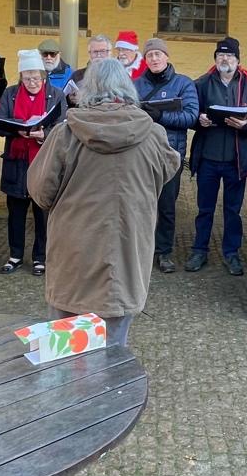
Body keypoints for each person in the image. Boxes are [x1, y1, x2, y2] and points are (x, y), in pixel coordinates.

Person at [28, 58, 180, 346]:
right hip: (126, 249)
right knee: (114, 347)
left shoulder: (65, 134)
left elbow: (41, 192)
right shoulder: (153, 135)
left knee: (66, 346)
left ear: (88, 89)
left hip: (74, 251)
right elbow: (168, 170)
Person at [187, 35, 247, 275]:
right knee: (204, 208)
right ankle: (199, 250)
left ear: (238, 60)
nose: (225, 59)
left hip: (236, 159)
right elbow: (190, 115)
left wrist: (246, 126)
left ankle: (231, 253)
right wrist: (199, 120)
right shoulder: (201, 83)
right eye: (221, 55)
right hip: (208, 157)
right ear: (215, 58)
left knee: (233, 210)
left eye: (230, 55)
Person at [0, 48, 65, 274]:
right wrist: (16, 130)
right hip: (17, 161)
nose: (32, 83)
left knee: (42, 213)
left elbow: (63, 126)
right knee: (15, 212)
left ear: (43, 76)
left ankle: (40, 257)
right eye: (27, 78)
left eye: (36, 78)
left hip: (44, 161)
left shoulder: (56, 95)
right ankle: (15, 255)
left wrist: (45, 134)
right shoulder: (10, 94)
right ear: (21, 77)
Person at [132, 37, 200, 272]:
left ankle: (164, 252)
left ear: (167, 56)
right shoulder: (135, 85)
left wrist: (161, 117)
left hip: (171, 154)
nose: (154, 58)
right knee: (141, 205)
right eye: (149, 55)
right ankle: (141, 250)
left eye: (158, 54)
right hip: (141, 153)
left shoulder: (184, 84)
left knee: (167, 207)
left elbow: (191, 117)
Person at [64, 34, 113, 105]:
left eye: (103, 51)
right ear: (89, 54)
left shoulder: (119, 76)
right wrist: (70, 99)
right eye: (95, 52)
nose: (99, 55)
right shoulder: (78, 75)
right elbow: (64, 102)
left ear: (110, 53)